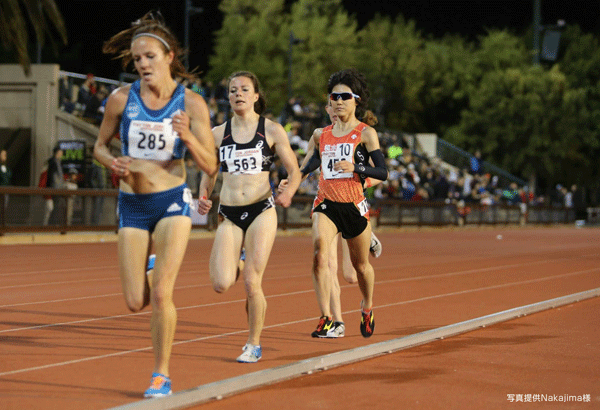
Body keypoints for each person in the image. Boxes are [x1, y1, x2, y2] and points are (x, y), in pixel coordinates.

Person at [93, 10, 218, 398]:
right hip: (132, 203)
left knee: (163, 294)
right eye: (136, 59)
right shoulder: (120, 99)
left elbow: (211, 164)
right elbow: (99, 145)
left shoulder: (192, 103)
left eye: (149, 56)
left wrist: (189, 137)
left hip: (172, 200)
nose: (142, 64)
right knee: (135, 301)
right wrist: (110, 160)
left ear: (168, 56)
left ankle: (160, 374)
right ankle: (151, 266)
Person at [197, 71, 301, 363]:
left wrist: (288, 192)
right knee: (220, 283)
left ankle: (253, 343)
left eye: (244, 89)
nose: (238, 94)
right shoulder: (218, 133)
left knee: (252, 282)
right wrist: (204, 196)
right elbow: (210, 172)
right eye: (232, 90)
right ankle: (241, 260)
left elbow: (294, 171)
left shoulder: (271, 130)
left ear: (256, 96)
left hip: (260, 210)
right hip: (228, 213)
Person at [294, 68, 388, 339]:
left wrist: (358, 168)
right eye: (334, 96)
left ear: (356, 100)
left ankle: (367, 306)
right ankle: (326, 317)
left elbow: (382, 172)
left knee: (360, 268)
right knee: (319, 254)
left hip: (354, 205)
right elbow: (314, 161)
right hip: (326, 203)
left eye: (344, 96)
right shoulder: (320, 134)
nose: (338, 101)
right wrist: (297, 176)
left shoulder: (366, 133)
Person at [43, 146, 65, 226]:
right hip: (53, 188)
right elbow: (51, 176)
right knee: (52, 208)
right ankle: (50, 224)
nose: (62, 154)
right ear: (58, 152)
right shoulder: (52, 162)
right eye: (61, 152)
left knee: (56, 207)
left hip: (58, 188)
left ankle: (53, 224)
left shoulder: (59, 162)